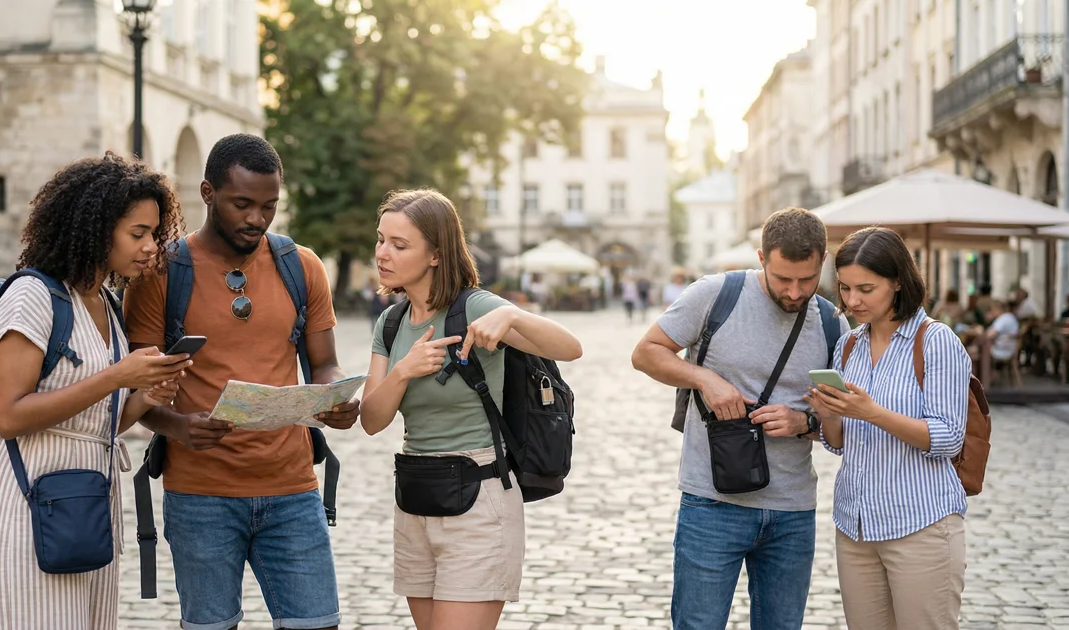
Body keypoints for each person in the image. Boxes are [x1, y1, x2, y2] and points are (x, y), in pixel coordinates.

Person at [124, 134, 360, 630]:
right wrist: (178, 426)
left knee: (317, 623)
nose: (257, 218)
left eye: (269, 206)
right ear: (208, 193)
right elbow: (133, 391)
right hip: (199, 495)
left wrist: (334, 398)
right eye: (243, 204)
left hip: (293, 490)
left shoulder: (302, 266)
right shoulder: (161, 273)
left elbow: (325, 363)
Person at [0, 153, 190, 628]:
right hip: (27, 506)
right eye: (138, 234)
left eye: (154, 233)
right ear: (94, 228)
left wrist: (146, 395)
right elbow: (8, 414)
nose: (152, 246)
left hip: (88, 507)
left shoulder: (106, 304)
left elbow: (100, 423)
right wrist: (116, 377)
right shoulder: (32, 296)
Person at [360, 189, 582, 630]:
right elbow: (371, 420)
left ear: (436, 255)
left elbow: (571, 348)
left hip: (479, 501)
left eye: (399, 245)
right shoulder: (390, 322)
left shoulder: (473, 306)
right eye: (381, 240)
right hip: (415, 498)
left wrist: (513, 319)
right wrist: (403, 372)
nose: (383, 254)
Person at [630, 207, 849, 630]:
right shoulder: (715, 295)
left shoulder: (830, 323)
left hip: (792, 510)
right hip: (711, 504)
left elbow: (838, 425)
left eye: (806, 279)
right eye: (783, 278)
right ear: (761, 257)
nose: (794, 291)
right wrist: (704, 379)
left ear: (822, 261)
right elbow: (646, 353)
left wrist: (804, 423)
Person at [806, 226, 971, 630]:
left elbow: (948, 438)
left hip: (920, 526)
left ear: (898, 281)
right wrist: (829, 414)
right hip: (856, 525)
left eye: (866, 288)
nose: (852, 300)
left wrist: (872, 412)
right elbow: (840, 443)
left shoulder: (936, 341)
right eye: (844, 288)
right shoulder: (848, 345)